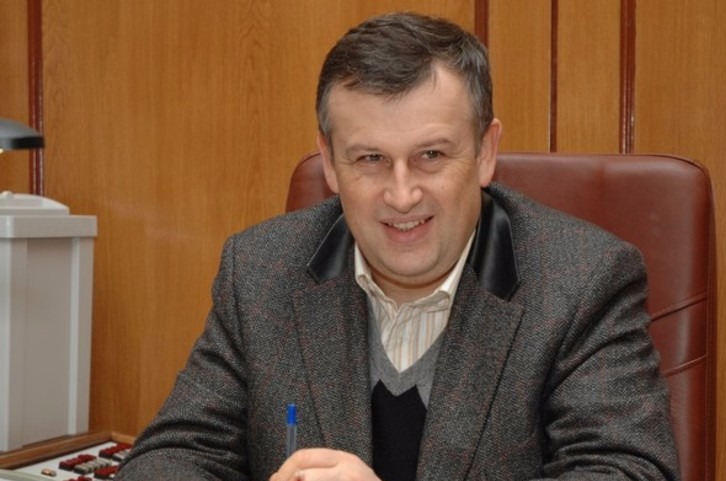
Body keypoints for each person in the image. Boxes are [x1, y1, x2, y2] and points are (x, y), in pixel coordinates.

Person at [117, 12, 680, 481]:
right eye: (371, 159)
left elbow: (626, 470)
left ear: (485, 152)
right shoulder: (261, 270)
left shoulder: (582, 281)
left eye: (431, 155)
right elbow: (170, 456)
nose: (402, 194)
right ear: (330, 161)